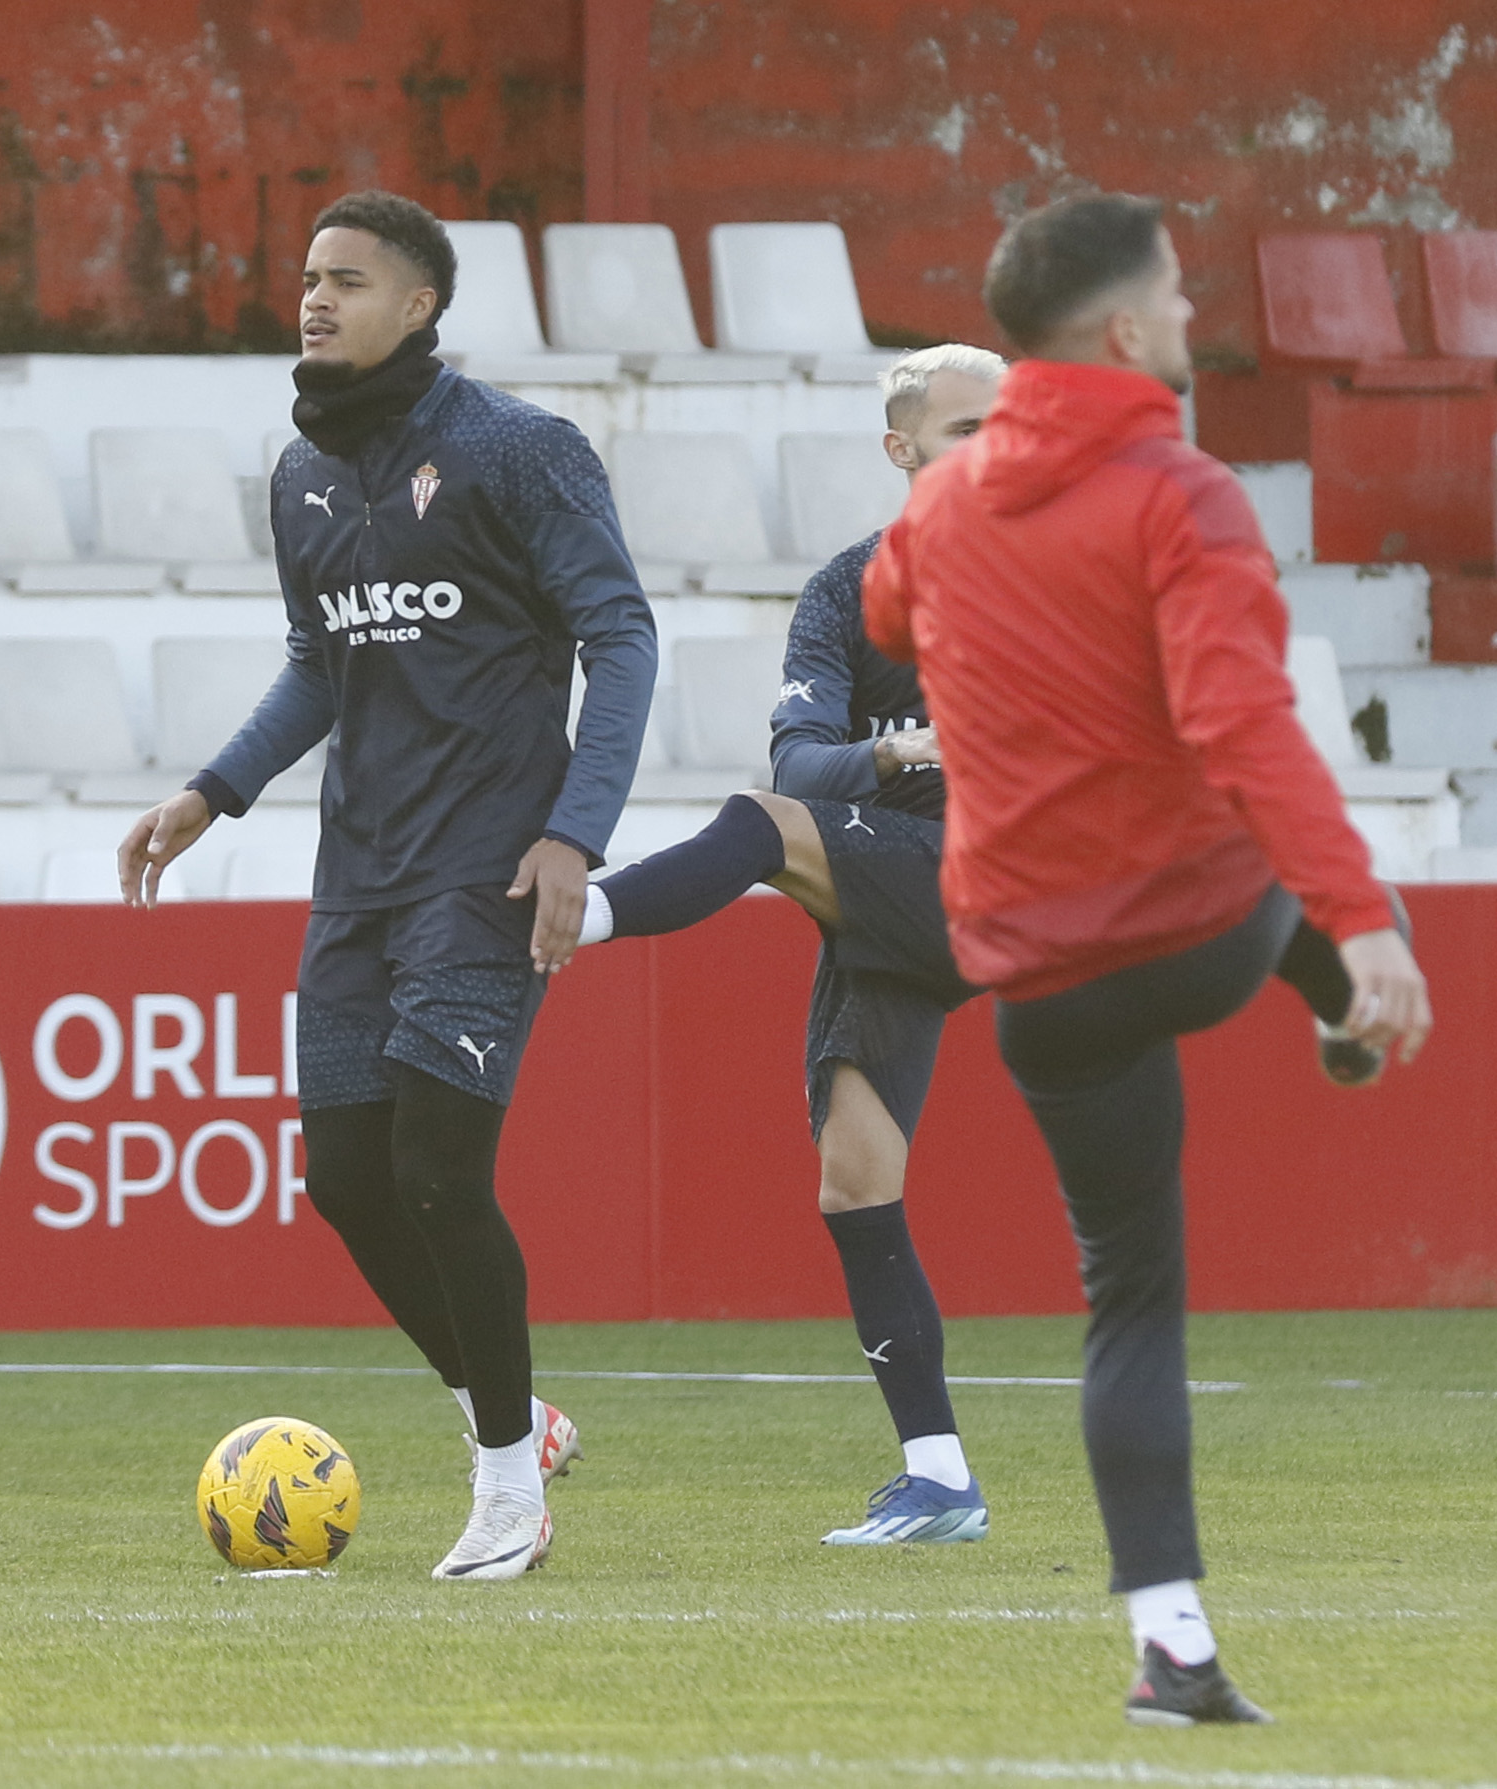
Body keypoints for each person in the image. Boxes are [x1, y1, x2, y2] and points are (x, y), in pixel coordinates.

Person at [864, 192, 1432, 1725]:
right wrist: (1364, 919)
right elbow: (1245, 729)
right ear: (1124, 331)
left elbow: (887, 608)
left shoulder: (939, 505)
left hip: (1039, 977)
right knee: (1293, 892)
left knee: (1133, 1302)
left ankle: (1173, 1640)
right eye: (1177, 294)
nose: (1191, 315)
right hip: (1201, 929)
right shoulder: (1185, 494)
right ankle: (1339, 1005)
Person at [118, 191, 657, 1581]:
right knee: (347, 1178)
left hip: (482, 871)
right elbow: (319, 659)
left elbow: (623, 637)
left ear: (418, 305)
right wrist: (209, 792)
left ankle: (505, 1498)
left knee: (437, 1167)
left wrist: (575, 832)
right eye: (306, 277)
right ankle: (518, 1420)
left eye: (346, 280)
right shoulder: (303, 473)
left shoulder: (518, 451)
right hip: (355, 878)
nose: (313, 299)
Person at [568, 343, 1005, 1546]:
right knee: (854, 1180)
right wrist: (905, 752)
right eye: (966, 430)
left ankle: (571, 920)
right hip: (884, 885)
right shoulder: (847, 592)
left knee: (759, 831)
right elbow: (800, 763)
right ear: (902, 448)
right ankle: (938, 1479)